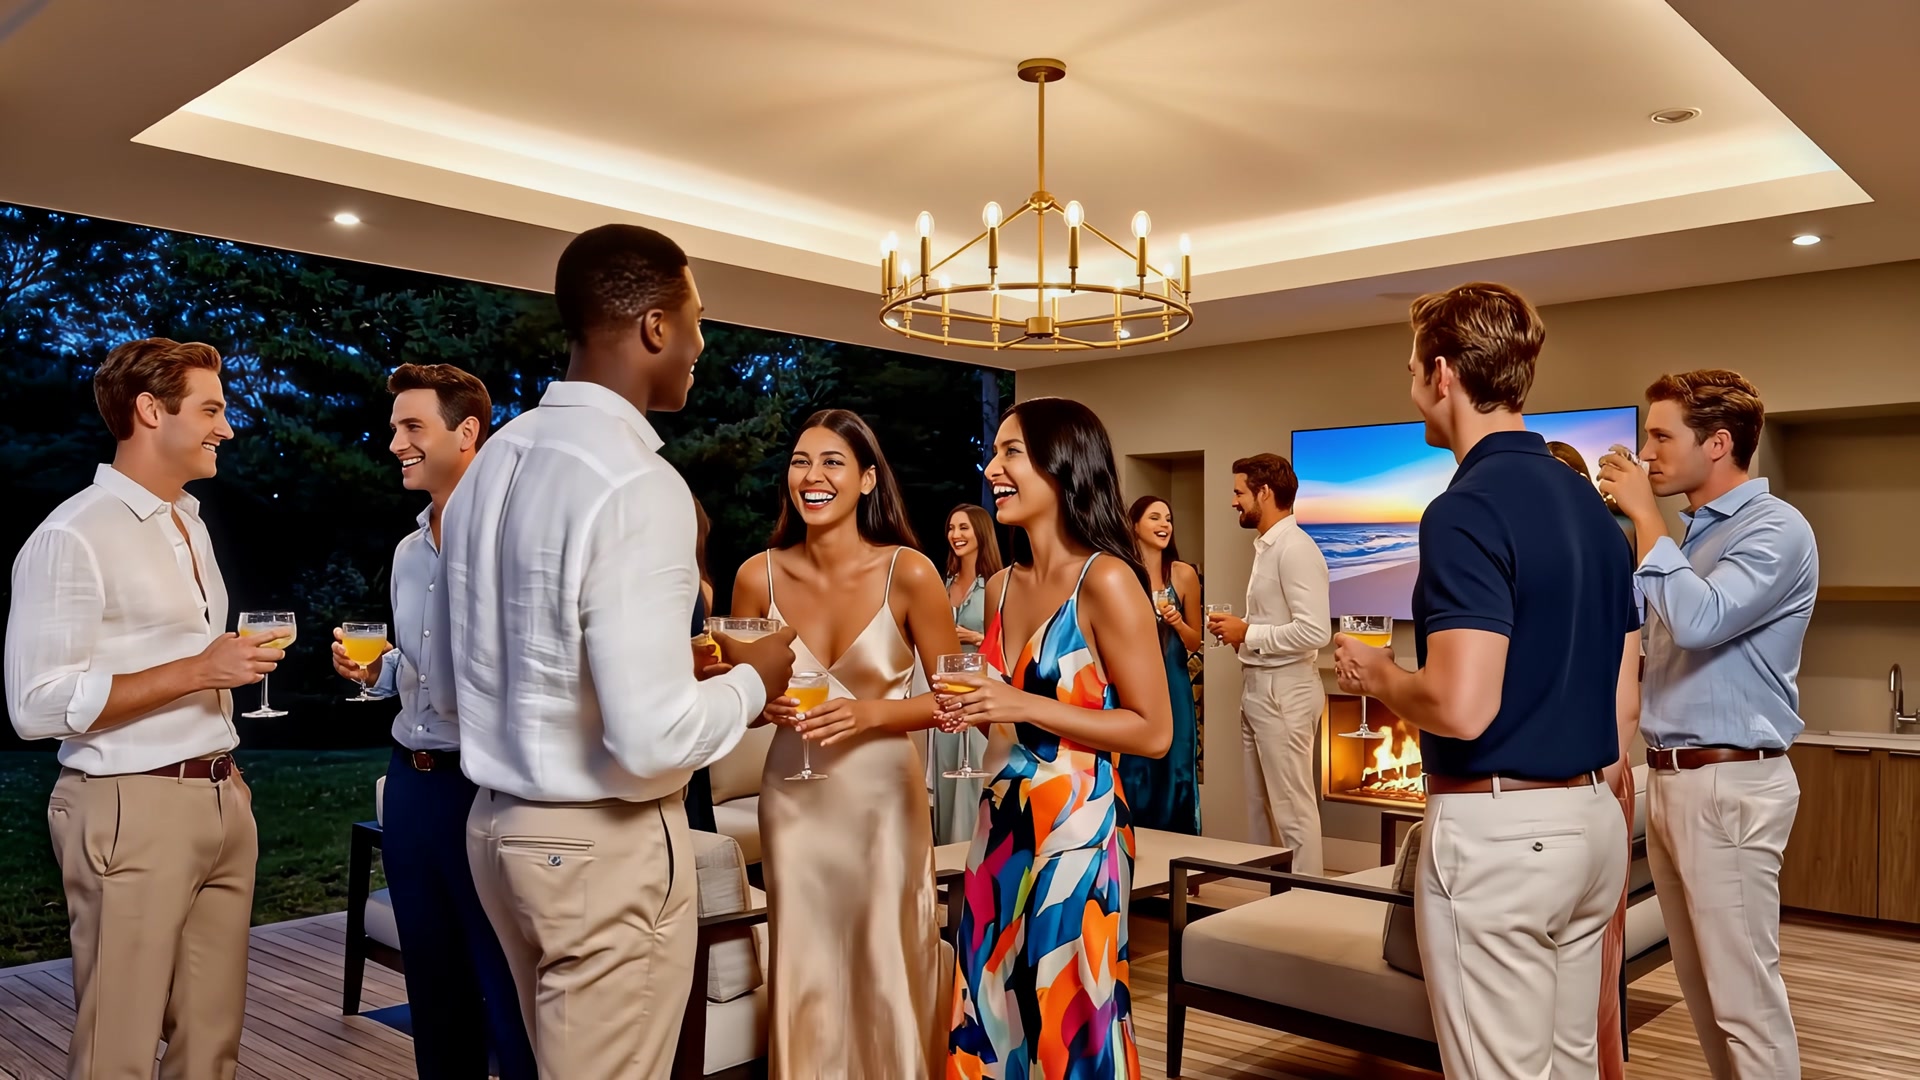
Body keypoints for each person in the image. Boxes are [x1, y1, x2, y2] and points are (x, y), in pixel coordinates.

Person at [441, 224, 797, 1077]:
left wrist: (671, 669)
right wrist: (755, 682)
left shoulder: (492, 463)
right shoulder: (639, 482)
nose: (702, 345)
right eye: (697, 320)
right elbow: (651, 740)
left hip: (497, 831)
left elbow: (489, 669)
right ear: (655, 326)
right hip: (598, 850)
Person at [1334, 283, 1638, 1078]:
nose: (1412, 389)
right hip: (1592, 825)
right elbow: (1620, 692)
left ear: (1443, 374)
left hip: (1502, 838)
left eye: (1411, 371)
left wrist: (1381, 673)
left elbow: (1461, 706)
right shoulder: (1595, 512)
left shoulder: (1463, 509)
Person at [5, 337, 283, 1080]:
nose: (227, 427)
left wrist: (224, 765)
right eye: (211, 410)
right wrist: (199, 670)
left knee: (211, 1042)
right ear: (152, 411)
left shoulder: (189, 523)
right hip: (128, 807)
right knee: (117, 1049)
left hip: (220, 798)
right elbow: (35, 705)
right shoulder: (73, 535)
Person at [940, 396, 1174, 1080]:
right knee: (989, 1003)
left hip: (1079, 830)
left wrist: (1019, 702)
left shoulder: (1108, 580)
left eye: (1011, 453)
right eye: (995, 453)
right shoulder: (1000, 586)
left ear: (1063, 465)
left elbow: (1154, 730)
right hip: (999, 821)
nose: (992, 469)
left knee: (1070, 1017)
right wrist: (972, 707)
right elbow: (1001, 706)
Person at [730, 408, 962, 1078]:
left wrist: (870, 714)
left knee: (887, 954)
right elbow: (739, 703)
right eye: (801, 461)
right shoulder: (756, 576)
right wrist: (757, 702)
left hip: (884, 800)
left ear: (866, 479)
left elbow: (957, 698)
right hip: (793, 799)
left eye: (833, 461)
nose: (813, 475)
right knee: (805, 957)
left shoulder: (909, 572)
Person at [1599, 369, 1815, 1080]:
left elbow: (1701, 622)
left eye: (1662, 436)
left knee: (1744, 1003)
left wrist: (1646, 518)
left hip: (1728, 784)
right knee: (1704, 994)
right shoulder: (1692, 539)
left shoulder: (1776, 528)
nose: (1646, 453)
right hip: (1671, 779)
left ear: (1718, 443)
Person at [328, 363, 534, 1080]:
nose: (395, 444)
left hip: (483, 786)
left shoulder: (513, 540)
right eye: (394, 428)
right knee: (433, 984)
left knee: (504, 984)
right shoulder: (408, 552)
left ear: (467, 431)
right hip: (411, 787)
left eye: (412, 427)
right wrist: (378, 671)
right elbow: (420, 668)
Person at [1547, 437, 1639, 1080]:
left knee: (1591, 957)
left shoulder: (1610, 559)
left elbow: (1625, 703)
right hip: (1578, 775)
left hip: (1597, 772)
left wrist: (1592, 780)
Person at [1206, 453, 1331, 874]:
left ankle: (1308, 898)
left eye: (1239, 492)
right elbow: (1275, 623)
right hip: (1260, 688)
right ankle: (1269, 897)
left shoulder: (1295, 550)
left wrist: (1249, 633)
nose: (1233, 501)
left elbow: (1315, 632)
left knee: (1293, 811)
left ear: (1264, 492)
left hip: (1285, 692)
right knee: (1260, 808)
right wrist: (1240, 634)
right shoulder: (1268, 547)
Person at [1121, 495, 1203, 834]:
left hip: (1174, 685)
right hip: (1133, 686)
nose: (1164, 525)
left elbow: (1195, 641)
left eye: (1168, 519)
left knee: (1176, 767)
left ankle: (1180, 852)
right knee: (1134, 769)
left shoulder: (1183, 575)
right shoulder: (1120, 575)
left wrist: (1177, 623)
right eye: (1154, 518)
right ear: (1134, 526)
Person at [930, 503, 1003, 844]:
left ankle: (977, 850)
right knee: (947, 771)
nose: (955, 535)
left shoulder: (995, 585)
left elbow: (1003, 640)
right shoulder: (942, 584)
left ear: (980, 534)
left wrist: (975, 638)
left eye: (963, 528)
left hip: (979, 691)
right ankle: (948, 851)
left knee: (975, 771)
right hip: (947, 692)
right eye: (951, 528)